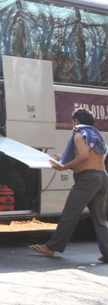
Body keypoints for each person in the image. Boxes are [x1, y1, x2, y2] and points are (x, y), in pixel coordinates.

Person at [29, 108, 108, 262]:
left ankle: (51, 247)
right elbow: (91, 158)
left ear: (76, 121)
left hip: (87, 180)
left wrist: (63, 167)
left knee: (70, 213)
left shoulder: (78, 133)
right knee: (100, 218)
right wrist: (63, 160)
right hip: (102, 177)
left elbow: (84, 156)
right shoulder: (96, 134)